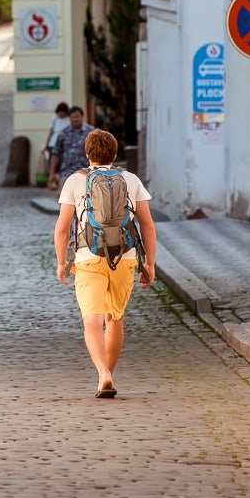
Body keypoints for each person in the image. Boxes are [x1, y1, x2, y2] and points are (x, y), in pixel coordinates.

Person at [53, 129, 156, 399]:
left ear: (88, 154)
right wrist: (151, 264)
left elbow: (63, 228)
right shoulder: (130, 179)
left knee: (92, 321)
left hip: (89, 257)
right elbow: (146, 224)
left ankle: (103, 374)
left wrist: (61, 262)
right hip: (125, 257)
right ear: (114, 153)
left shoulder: (75, 181)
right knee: (114, 318)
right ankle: (108, 373)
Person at [46, 105, 92, 189]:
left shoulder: (91, 132)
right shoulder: (63, 133)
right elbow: (56, 154)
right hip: (67, 173)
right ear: (69, 118)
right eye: (73, 117)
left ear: (82, 117)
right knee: (66, 200)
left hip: (87, 172)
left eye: (77, 117)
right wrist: (51, 174)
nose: (75, 119)